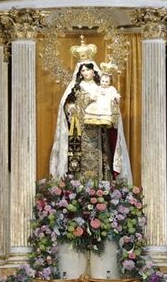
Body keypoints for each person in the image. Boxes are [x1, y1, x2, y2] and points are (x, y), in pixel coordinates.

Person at [49, 49, 132, 182]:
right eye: (83, 71)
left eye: (88, 70)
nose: (86, 73)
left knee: (103, 158)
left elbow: (111, 104)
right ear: (79, 73)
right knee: (78, 161)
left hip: (100, 131)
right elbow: (67, 105)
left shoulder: (103, 87)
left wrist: (113, 104)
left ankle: (103, 187)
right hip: (80, 132)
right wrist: (72, 109)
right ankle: (77, 188)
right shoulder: (75, 88)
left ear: (94, 71)